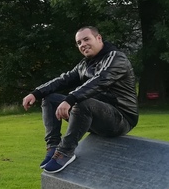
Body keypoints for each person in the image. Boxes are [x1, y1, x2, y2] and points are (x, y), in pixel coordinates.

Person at [22, 26, 139, 173]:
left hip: (121, 119)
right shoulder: (85, 64)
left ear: (98, 38)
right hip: (94, 115)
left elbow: (100, 81)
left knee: (83, 102)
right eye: (79, 42)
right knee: (50, 99)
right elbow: (63, 80)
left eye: (86, 39)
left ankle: (65, 152)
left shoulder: (117, 58)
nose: (82, 44)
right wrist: (36, 93)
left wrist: (70, 99)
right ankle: (53, 148)